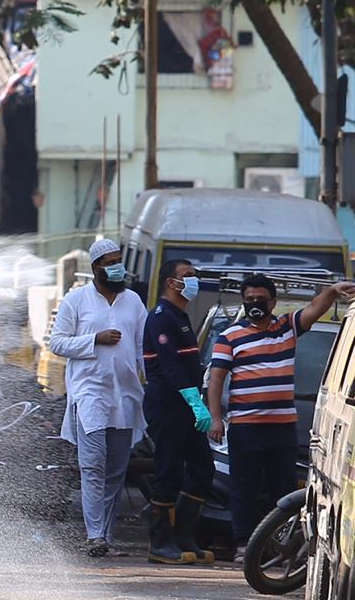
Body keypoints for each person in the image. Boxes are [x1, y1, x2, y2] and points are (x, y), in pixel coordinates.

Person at [208, 273, 355, 558]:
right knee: (244, 489)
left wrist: (333, 291)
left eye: (260, 300)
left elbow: (314, 309)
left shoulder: (287, 327)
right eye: (249, 300)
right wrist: (216, 418)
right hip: (245, 427)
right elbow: (216, 379)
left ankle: (281, 547)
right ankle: (243, 546)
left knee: (283, 490)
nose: (254, 304)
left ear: (272, 302)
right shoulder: (230, 336)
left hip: (282, 427)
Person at [48, 238, 147, 558]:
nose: (118, 266)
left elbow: (144, 348)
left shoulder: (133, 301)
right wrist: (95, 339)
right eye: (111, 261)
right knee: (92, 466)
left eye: (120, 260)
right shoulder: (76, 300)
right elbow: (58, 343)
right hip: (89, 394)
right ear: (96, 268)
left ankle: (105, 533)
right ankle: (93, 535)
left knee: (116, 470)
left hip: (125, 396)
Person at [142, 258, 214, 565]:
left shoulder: (180, 316)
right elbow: (170, 366)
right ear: (171, 282)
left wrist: (196, 401)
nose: (193, 281)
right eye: (187, 276)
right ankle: (160, 542)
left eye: (194, 275)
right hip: (168, 405)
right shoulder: (160, 318)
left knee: (202, 468)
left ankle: (184, 536)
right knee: (168, 470)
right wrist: (195, 401)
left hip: (186, 406)